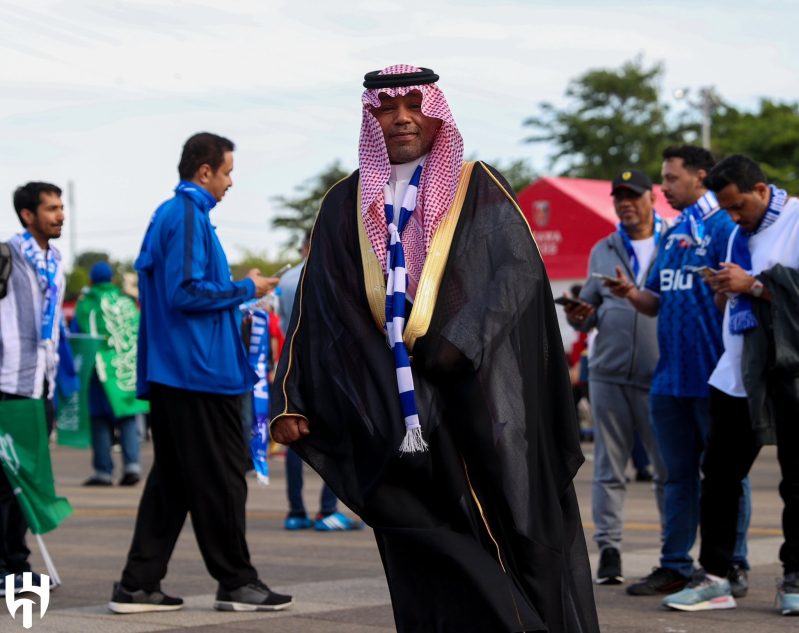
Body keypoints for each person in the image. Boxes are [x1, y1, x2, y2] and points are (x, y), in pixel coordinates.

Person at [271, 64, 599, 633]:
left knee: (513, 528)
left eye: (413, 106)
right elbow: (317, 306)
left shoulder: (477, 184)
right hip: (389, 406)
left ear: (435, 112)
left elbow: (518, 270)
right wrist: (292, 396)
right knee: (419, 541)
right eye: (386, 109)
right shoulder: (343, 202)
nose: (401, 118)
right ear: (370, 117)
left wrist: (460, 339)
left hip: (479, 395)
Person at [108, 132, 293, 614]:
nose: (231, 182)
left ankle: (138, 584)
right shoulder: (188, 214)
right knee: (223, 478)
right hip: (197, 374)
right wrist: (243, 288)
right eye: (227, 171)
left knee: (173, 482)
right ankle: (236, 582)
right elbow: (185, 292)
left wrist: (239, 295)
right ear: (204, 170)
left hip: (179, 372)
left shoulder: (174, 215)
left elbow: (182, 294)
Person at [608, 146, 751, 597]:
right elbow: (655, 300)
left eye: (671, 179)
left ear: (700, 176)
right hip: (669, 379)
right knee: (676, 476)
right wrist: (630, 293)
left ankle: (733, 563)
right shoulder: (671, 235)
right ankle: (674, 564)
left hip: (716, 378)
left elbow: (741, 294)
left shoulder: (726, 226)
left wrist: (726, 292)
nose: (663, 187)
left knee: (727, 477)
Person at [662, 155, 799, 615]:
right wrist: (727, 290)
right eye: (727, 209)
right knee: (719, 475)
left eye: (739, 206)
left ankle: (795, 578)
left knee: (795, 479)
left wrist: (757, 286)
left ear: (761, 190)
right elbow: (738, 305)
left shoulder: (796, 219)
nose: (735, 218)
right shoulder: (740, 234)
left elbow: (779, 289)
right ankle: (716, 577)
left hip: (788, 369)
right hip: (738, 368)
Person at [564, 168, 666, 586]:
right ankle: (609, 550)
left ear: (650, 198)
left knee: (668, 469)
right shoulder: (602, 249)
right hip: (607, 371)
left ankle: (673, 555)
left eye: (632, 195)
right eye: (618, 197)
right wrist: (579, 315)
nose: (625, 203)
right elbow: (588, 312)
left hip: (662, 374)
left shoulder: (673, 242)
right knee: (609, 466)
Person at [0, 181, 66, 594]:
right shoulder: (6, 255)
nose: (60, 215)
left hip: (41, 382)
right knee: (4, 483)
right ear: (28, 215)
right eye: (51, 209)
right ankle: (5, 567)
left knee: (30, 479)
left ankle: (17, 562)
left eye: (61, 207)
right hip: (8, 380)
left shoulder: (55, 259)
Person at [277, 233, 362, 532]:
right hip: (325, 365)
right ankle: (327, 510)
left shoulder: (285, 279)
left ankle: (295, 510)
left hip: (288, 366)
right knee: (338, 436)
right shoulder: (331, 272)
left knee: (292, 437)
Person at [76, 261, 143, 487]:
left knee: (100, 421)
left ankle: (104, 472)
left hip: (100, 373)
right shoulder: (125, 302)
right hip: (125, 369)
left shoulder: (87, 304)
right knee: (127, 418)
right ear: (112, 280)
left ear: (91, 281)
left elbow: (77, 335)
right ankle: (132, 466)